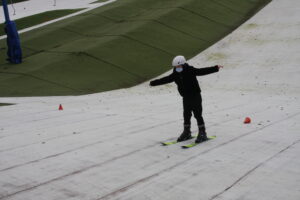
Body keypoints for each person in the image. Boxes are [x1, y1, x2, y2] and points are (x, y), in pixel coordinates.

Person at [150, 55, 223, 143]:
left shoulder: (190, 70)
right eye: (176, 67)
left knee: (197, 114)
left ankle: (202, 132)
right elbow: (166, 79)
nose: (177, 68)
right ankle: (187, 132)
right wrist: (153, 83)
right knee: (186, 114)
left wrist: (215, 68)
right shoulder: (175, 74)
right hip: (186, 97)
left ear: (183, 64)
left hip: (195, 95)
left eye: (179, 66)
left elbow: (202, 71)